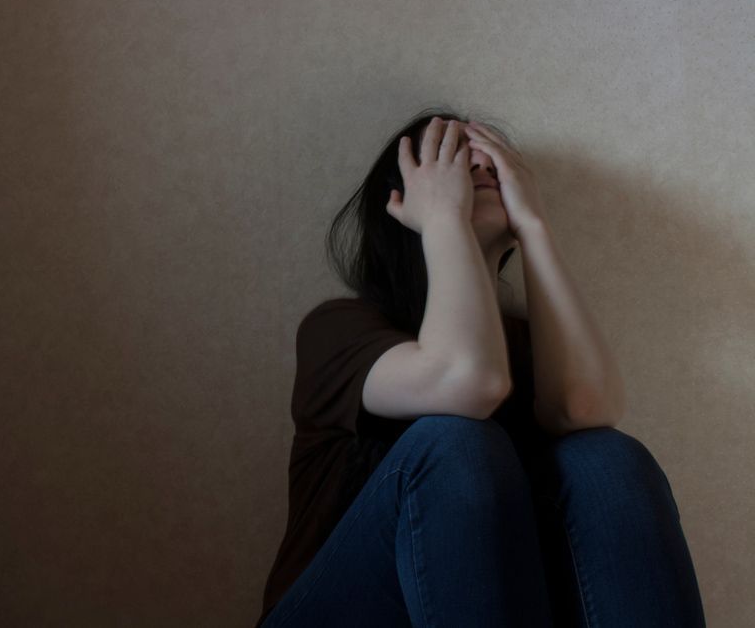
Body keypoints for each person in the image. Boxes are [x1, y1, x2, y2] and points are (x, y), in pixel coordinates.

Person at [255, 107, 706, 627]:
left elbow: (584, 408)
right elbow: (467, 382)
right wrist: (444, 219)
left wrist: (535, 226)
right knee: (455, 442)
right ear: (403, 202)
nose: (479, 169)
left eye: (489, 163)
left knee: (607, 455)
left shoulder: (527, 338)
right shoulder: (340, 329)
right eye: (448, 160)